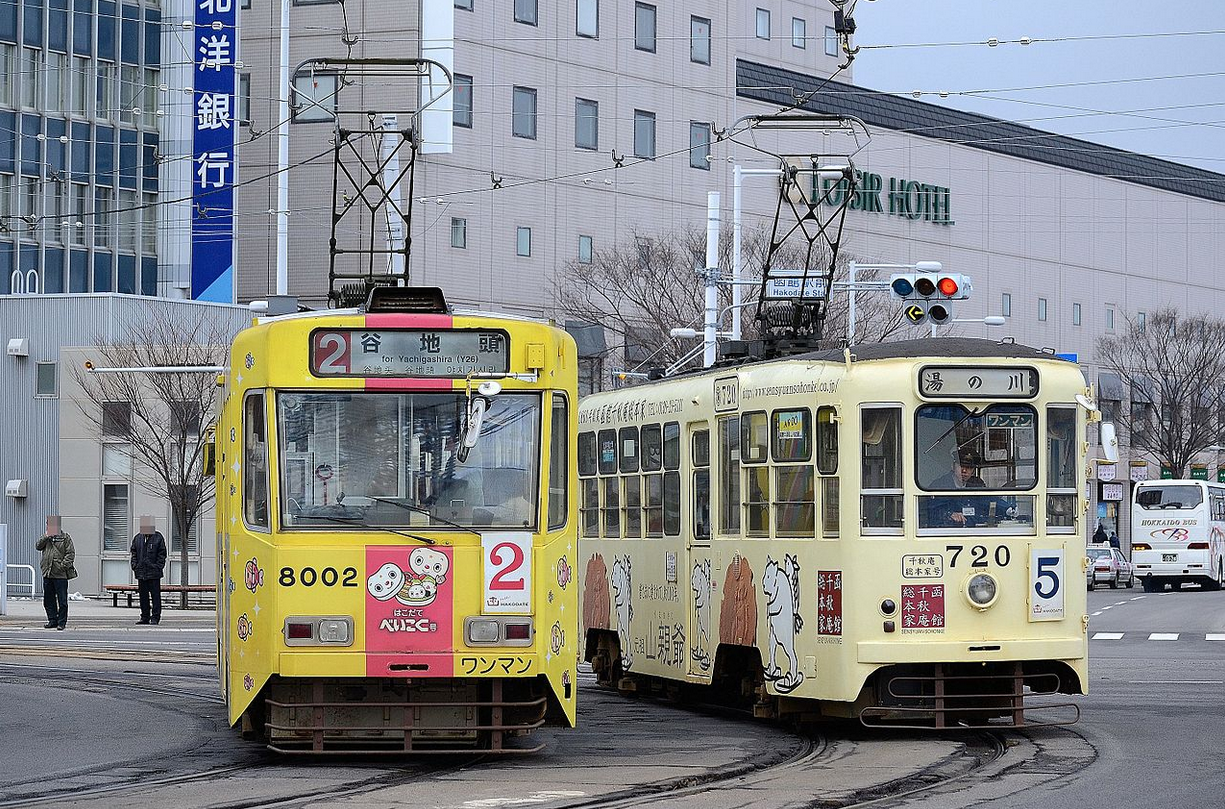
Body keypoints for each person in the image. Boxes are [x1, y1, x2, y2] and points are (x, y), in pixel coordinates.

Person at [926, 451, 989, 527]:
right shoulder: (940, 485)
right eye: (961, 466)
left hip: (974, 530)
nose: (964, 471)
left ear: (973, 471)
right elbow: (931, 510)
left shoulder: (977, 484)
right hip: (947, 531)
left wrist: (1007, 509)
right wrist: (949, 514)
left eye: (969, 467)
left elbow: (990, 501)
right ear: (953, 466)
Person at [36, 515, 76, 630]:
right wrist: (46, 536)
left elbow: (70, 553)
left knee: (62, 600)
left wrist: (63, 566)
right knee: (48, 599)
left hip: (60, 574)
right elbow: (38, 546)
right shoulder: (46, 538)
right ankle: (52, 620)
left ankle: (62, 622)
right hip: (48, 572)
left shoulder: (65, 537)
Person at [130, 516, 167, 625]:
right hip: (141, 572)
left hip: (154, 573)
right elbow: (134, 553)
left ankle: (155, 617)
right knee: (143, 596)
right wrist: (135, 565)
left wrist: (158, 566)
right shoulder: (138, 538)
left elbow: (162, 554)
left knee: (155, 596)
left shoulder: (158, 537)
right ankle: (144, 616)